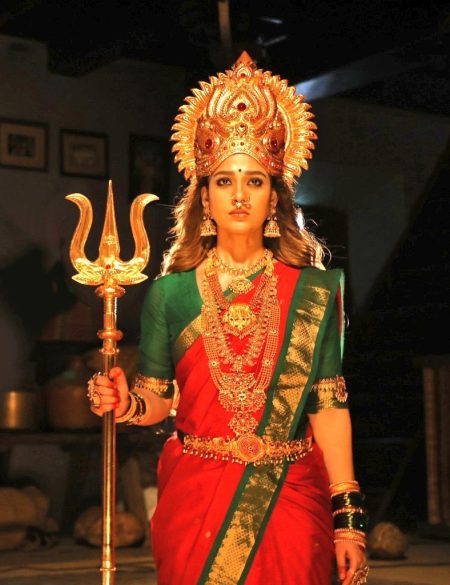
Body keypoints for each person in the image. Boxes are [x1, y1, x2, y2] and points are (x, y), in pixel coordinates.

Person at [88, 52, 369, 585]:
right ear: (204, 197)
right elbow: (159, 400)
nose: (239, 195)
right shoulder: (170, 293)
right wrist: (125, 405)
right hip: (198, 499)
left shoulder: (313, 292)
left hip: (292, 498)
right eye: (223, 181)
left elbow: (328, 406)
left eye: (255, 181)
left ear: (274, 197)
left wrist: (347, 519)